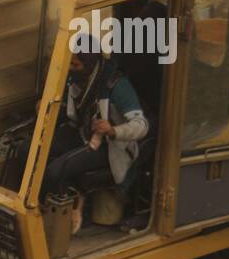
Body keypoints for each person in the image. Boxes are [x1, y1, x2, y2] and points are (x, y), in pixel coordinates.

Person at [42, 37, 149, 226]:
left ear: (89, 62)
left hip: (107, 146)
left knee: (55, 171)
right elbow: (72, 109)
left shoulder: (116, 85)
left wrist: (113, 130)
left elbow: (141, 125)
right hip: (81, 131)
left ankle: (58, 224)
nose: (71, 69)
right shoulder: (77, 79)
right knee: (29, 150)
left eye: (75, 65)